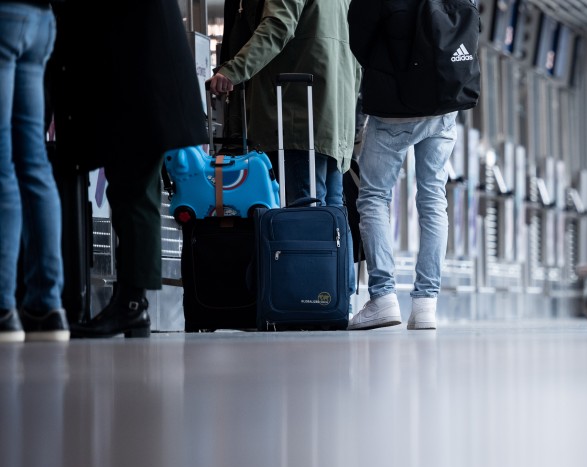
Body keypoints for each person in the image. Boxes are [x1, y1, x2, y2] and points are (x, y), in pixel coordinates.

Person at [49, 0, 207, 338]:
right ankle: (132, 303)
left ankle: (132, 303)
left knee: (133, 192)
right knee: (131, 189)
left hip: (141, 77)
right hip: (141, 75)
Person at [344, 0, 479, 330]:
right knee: (433, 199)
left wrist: (390, 67)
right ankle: (425, 305)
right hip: (444, 104)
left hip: (393, 107)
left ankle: (383, 297)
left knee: (374, 197)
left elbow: (357, 38)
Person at [208, 0, 360, 218]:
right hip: (334, 118)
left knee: (303, 212)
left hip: (296, 116)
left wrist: (234, 70)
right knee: (331, 214)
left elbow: (277, 26)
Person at [0, 0, 64, 343]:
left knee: (3, 164)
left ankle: (2, 308)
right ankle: (46, 307)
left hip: (5, 16)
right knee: (34, 163)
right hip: (41, 17)